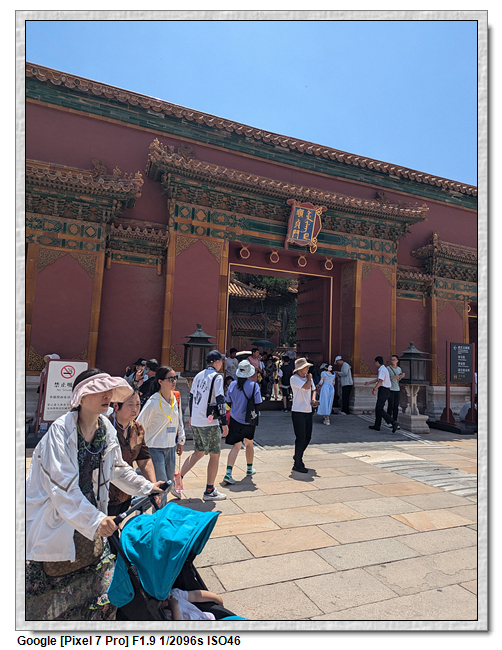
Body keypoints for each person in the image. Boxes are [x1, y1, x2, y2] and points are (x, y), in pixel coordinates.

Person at [25, 368, 166, 621]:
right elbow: (62, 488)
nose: (107, 395)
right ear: (80, 396)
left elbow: (117, 469)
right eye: (99, 390)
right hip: (58, 518)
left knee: (100, 590)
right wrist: (96, 520)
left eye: (109, 390)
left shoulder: (105, 428)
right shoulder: (60, 432)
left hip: (89, 515)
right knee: (53, 598)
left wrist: (148, 487)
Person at [180, 350, 228, 501]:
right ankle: (209, 490)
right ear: (216, 362)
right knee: (215, 455)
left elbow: (192, 397)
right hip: (209, 421)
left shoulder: (198, 376)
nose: (221, 364)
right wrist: (224, 422)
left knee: (198, 452)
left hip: (197, 420)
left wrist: (191, 416)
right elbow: (220, 400)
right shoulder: (217, 377)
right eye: (221, 361)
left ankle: (178, 480)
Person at [136, 366, 185, 506]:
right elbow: (139, 424)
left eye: (175, 378)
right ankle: (158, 514)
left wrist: (181, 440)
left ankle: (139, 504)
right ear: (160, 381)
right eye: (170, 378)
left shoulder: (175, 397)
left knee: (168, 483)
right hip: (155, 447)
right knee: (161, 483)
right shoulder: (153, 401)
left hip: (170, 446)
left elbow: (178, 419)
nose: (174, 381)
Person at [107, 390, 159, 516]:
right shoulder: (106, 428)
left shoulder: (137, 428)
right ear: (116, 406)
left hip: (126, 492)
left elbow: (144, 460)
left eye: (138, 404)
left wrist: (153, 487)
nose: (135, 409)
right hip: (106, 493)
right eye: (130, 405)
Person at [223, 359, 263, 485]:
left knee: (236, 446)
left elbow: (228, 400)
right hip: (249, 420)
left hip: (235, 418)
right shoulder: (254, 386)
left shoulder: (232, 385)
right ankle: (249, 468)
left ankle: (228, 472)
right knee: (249, 443)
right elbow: (258, 402)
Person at [290, 357, 316, 473]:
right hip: (298, 410)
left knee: (308, 437)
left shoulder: (308, 378)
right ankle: (298, 463)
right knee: (300, 437)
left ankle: (297, 455)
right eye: (306, 367)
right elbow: (307, 386)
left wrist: (313, 398)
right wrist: (309, 378)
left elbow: (313, 389)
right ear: (300, 369)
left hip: (308, 410)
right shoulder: (294, 378)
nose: (308, 369)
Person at [364, 356, 399, 432]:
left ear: (377, 362)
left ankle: (393, 422)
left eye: (375, 362)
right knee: (378, 408)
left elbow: (380, 381)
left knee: (379, 409)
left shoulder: (382, 370)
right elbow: (379, 379)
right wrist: (369, 382)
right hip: (386, 390)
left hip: (384, 390)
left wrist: (374, 389)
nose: (375, 364)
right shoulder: (383, 369)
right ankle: (377, 425)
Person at [386, 354, 405, 426]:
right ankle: (388, 421)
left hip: (397, 389)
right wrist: (394, 377)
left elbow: (398, 379)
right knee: (390, 405)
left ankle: (395, 421)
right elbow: (386, 378)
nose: (392, 361)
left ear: (397, 361)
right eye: (391, 360)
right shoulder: (388, 368)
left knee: (396, 406)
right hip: (390, 389)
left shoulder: (399, 369)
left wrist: (401, 377)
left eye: (394, 360)